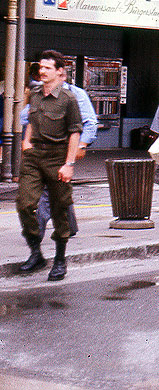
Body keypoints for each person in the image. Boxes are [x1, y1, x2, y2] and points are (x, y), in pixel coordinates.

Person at [16, 50, 83, 281]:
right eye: (40, 67)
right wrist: (26, 141)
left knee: (59, 209)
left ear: (60, 72)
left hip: (57, 157)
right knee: (25, 204)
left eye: (47, 68)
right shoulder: (34, 93)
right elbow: (32, 120)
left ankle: (60, 259)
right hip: (34, 156)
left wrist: (69, 164)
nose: (41, 71)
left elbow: (75, 133)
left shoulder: (68, 100)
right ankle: (36, 252)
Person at [23, 64, 99, 242]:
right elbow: (25, 118)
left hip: (62, 148)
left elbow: (90, 121)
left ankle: (35, 230)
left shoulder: (75, 94)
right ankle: (69, 225)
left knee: (48, 189)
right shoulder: (39, 94)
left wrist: (82, 145)